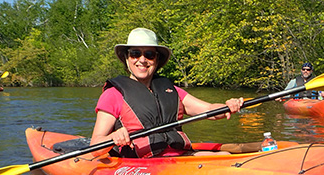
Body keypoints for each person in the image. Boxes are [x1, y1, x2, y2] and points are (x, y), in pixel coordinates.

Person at [90, 28, 244, 157]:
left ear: (157, 59)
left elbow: (209, 110)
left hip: (180, 157)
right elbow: (95, 147)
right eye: (135, 53)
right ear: (127, 58)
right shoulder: (113, 95)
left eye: (149, 54)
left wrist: (227, 107)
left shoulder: (172, 91)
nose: (142, 60)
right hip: (142, 165)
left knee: (225, 156)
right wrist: (112, 137)